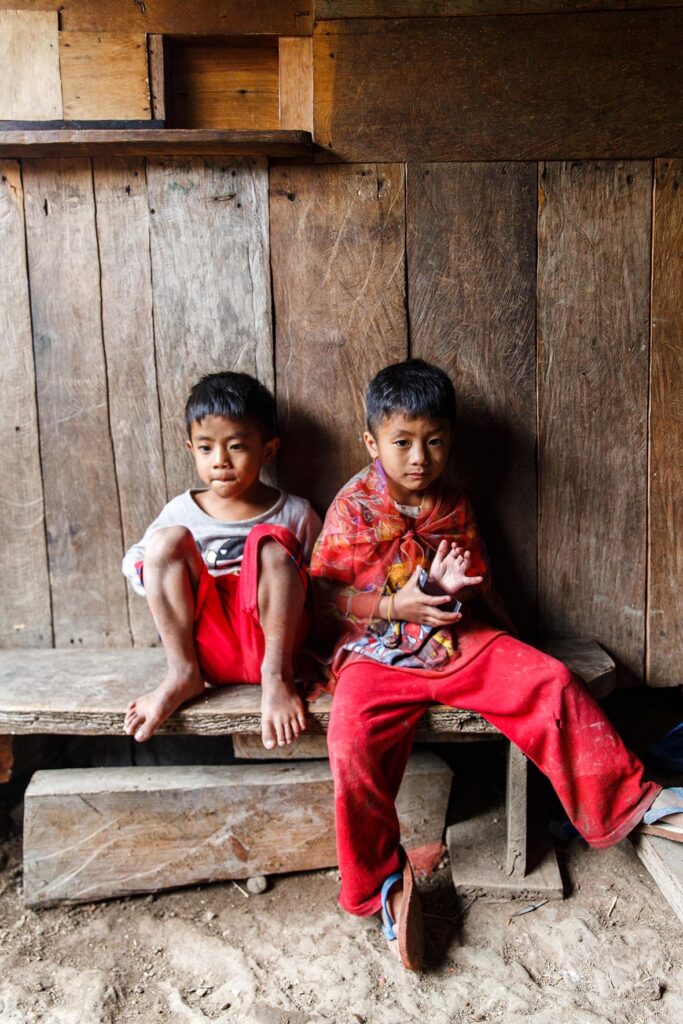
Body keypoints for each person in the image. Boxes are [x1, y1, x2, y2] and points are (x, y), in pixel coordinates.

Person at [310, 358, 683, 971]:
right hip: (378, 654)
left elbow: (474, 590)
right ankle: (378, 885)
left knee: (552, 681)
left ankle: (632, 804)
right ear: (371, 440)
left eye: (434, 441)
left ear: (451, 440)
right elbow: (323, 599)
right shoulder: (352, 508)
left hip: (456, 642)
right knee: (350, 742)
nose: (419, 457)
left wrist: (456, 589)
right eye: (401, 442)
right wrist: (393, 603)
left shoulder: (455, 503)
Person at [122, 371, 321, 751]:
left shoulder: (295, 513)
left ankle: (275, 680)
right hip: (204, 647)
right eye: (206, 448)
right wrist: (183, 582)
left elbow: (326, 576)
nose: (220, 462)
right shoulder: (182, 510)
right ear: (190, 448)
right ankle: (181, 674)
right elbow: (134, 561)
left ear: (268, 450)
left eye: (236, 447)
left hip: (275, 647)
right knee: (163, 544)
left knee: (273, 544)